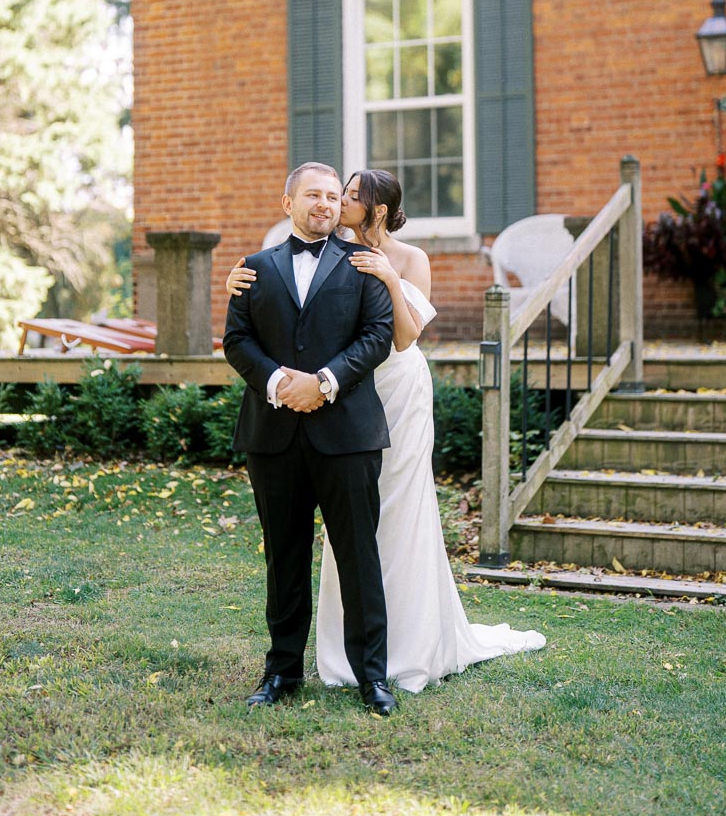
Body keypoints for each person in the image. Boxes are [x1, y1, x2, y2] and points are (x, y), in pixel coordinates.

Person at [227, 168, 546, 693]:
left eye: (346, 197)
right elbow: (253, 320)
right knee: (306, 548)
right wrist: (246, 302)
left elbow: (397, 337)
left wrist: (387, 284)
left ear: (372, 209)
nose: (336, 203)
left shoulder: (391, 260)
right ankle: (298, 666)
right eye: (328, 194)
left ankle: (388, 658)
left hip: (382, 396)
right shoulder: (298, 256)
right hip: (307, 407)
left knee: (382, 527)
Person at [222, 161, 398, 715]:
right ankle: (281, 673)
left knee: (359, 559)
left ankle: (372, 677)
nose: (325, 203)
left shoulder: (364, 264)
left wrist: (324, 383)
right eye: (313, 195)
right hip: (272, 433)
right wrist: (278, 382)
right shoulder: (253, 268)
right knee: (285, 557)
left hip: (347, 433)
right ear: (288, 203)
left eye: (332, 196)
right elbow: (236, 339)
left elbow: (377, 337)